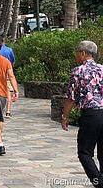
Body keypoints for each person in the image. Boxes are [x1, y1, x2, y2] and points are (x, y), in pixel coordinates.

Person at [61, 41, 103, 187]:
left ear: (83, 53)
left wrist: (65, 116)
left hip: (90, 115)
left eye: (77, 53)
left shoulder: (78, 71)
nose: (76, 55)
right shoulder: (102, 69)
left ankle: (98, 181)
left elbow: (71, 97)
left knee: (85, 153)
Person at [0, 35, 16, 119]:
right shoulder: (9, 50)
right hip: (7, 72)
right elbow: (13, 62)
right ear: (4, 41)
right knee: (8, 92)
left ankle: (0, 109)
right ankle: (8, 111)